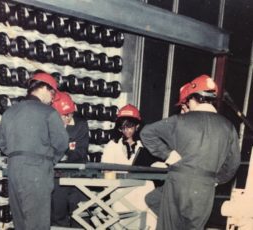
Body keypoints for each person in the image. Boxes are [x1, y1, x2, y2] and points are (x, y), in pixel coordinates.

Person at [140, 74, 241, 230]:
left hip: (178, 182)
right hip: (205, 187)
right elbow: (233, 164)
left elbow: (146, 133)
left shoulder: (180, 121)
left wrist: (168, 155)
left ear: (192, 99)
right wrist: (216, 179)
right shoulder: (229, 127)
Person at [0, 72, 69, 230]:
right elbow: (62, 143)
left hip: (14, 170)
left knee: (20, 222)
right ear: (43, 88)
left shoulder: (9, 112)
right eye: (52, 93)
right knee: (37, 224)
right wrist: (49, 160)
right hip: (37, 170)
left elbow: (2, 144)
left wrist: (19, 155)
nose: (52, 99)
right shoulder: (48, 112)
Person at [101, 104, 160, 229]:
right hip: (121, 193)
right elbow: (105, 169)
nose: (127, 131)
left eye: (130, 127)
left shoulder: (145, 145)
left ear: (137, 126)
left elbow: (155, 165)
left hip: (141, 192)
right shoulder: (112, 145)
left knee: (147, 222)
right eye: (123, 127)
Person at [50, 91, 89, 227]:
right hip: (55, 177)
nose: (67, 118)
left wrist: (63, 154)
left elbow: (81, 151)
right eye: (63, 115)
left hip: (77, 176)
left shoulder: (80, 125)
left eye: (70, 114)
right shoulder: (47, 124)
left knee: (80, 216)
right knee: (57, 215)